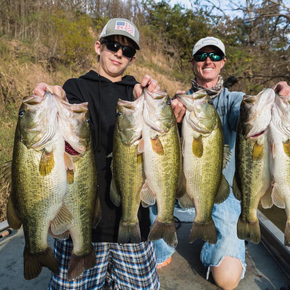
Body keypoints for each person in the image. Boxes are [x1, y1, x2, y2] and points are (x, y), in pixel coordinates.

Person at [34, 18, 160, 290]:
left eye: (126, 51)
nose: (118, 53)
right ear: (98, 46)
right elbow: (62, 119)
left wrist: (156, 102)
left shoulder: (137, 94)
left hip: (132, 225)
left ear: (132, 58)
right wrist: (51, 102)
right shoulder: (76, 88)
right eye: (113, 45)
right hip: (81, 224)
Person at [158, 36, 290, 290]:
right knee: (152, 190)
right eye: (202, 56)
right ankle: (162, 247)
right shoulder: (178, 102)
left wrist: (281, 98)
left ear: (223, 63)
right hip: (179, 188)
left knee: (227, 280)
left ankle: (212, 245)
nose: (208, 60)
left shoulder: (235, 100)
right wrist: (170, 118)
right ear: (193, 63)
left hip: (223, 191)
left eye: (215, 56)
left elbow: (251, 113)